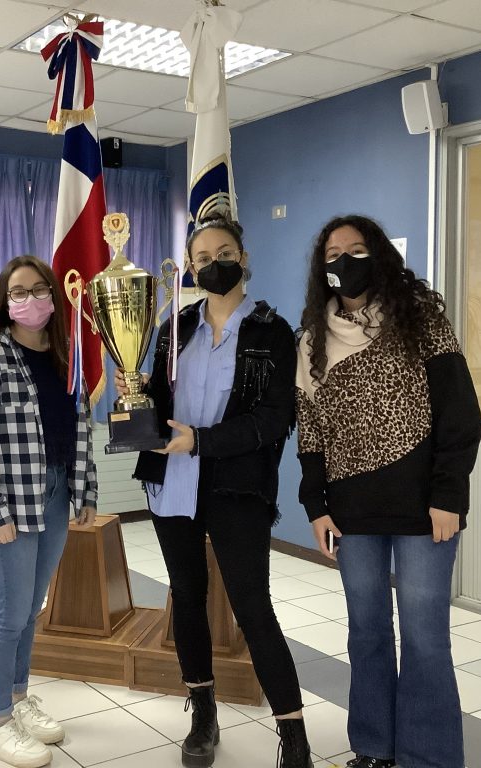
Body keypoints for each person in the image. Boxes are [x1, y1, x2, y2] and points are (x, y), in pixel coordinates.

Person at [118, 214, 314, 768]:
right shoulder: (175, 327)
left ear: (243, 258)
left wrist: (201, 441)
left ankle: (294, 736)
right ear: (190, 267)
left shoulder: (273, 332)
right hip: (172, 485)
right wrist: (135, 395)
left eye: (224, 253)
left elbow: (273, 421)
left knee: (253, 607)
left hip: (238, 489)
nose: (214, 264)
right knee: (186, 596)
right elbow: (159, 398)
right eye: (202, 258)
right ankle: (202, 713)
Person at [295, 214, 481, 768]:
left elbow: (459, 414)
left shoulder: (419, 319)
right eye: (333, 253)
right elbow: (312, 434)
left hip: (424, 510)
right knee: (367, 632)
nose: (344, 261)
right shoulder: (312, 341)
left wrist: (449, 496)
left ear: (378, 255)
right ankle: (374, 748)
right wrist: (315, 506)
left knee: (424, 637)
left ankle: (428, 757)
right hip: (351, 515)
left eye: (356, 250)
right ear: (321, 268)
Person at [0, 255, 98, 768]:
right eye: (18, 292)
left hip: (57, 492)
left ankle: (18, 698)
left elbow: (80, 428)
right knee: (11, 611)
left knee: (33, 607)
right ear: (5, 300)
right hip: (10, 500)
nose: (30, 300)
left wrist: (86, 492)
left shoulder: (66, 355)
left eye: (40, 290)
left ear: (54, 297)